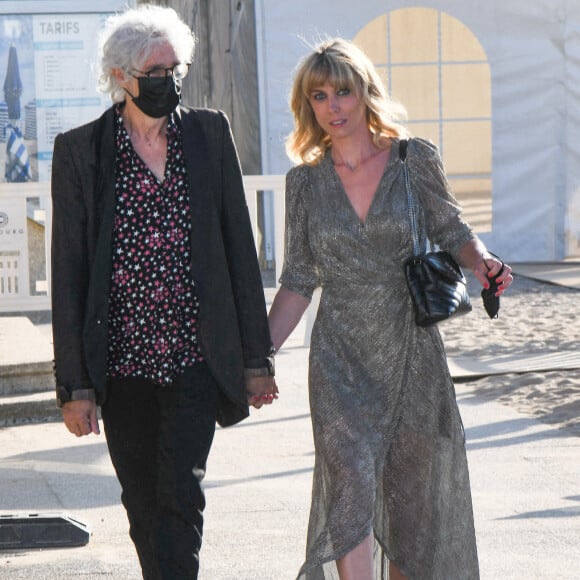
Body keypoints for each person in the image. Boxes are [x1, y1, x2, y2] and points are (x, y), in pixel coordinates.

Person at [268, 38, 513, 580]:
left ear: (365, 93)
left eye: (343, 92)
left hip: (410, 352)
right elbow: (299, 278)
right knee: (351, 483)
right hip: (339, 358)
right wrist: (258, 357)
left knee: (410, 501)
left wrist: (483, 262)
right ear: (307, 105)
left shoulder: (412, 159)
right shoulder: (304, 183)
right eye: (319, 95)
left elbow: (452, 230)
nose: (333, 106)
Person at [50, 5, 278, 579]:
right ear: (121, 78)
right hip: (121, 365)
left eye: (175, 69)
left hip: (194, 357)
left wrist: (257, 360)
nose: (168, 81)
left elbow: (238, 252)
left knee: (181, 490)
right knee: (140, 500)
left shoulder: (208, 134)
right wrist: (74, 386)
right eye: (155, 71)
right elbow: (70, 273)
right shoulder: (81, 152)